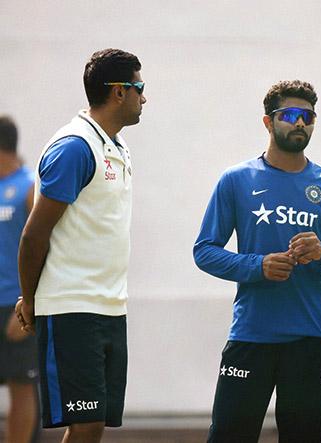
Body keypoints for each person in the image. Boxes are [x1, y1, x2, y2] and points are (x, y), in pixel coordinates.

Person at [193, 80, 321, 443]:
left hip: (310, 339)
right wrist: (257, 267)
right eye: (290, 115)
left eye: (307, 116)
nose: (300, 123)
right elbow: (205, 251)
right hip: (251, 335)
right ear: (267, 122)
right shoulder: (236, 180)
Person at [15, 48, 146, 443]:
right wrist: (30, 299)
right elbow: (34, 235)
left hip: (110, 307)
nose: (145, 97)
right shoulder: (74, 147)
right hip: (72, 307)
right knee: (84, 425)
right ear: (118, 92)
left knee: (94, 425)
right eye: (140, 87)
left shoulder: (117, 147)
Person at [0, 116, 39, 443]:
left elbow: (44, 249)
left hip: (15, 306)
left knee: (22, 388)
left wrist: (29, 302)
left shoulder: (29, 187)